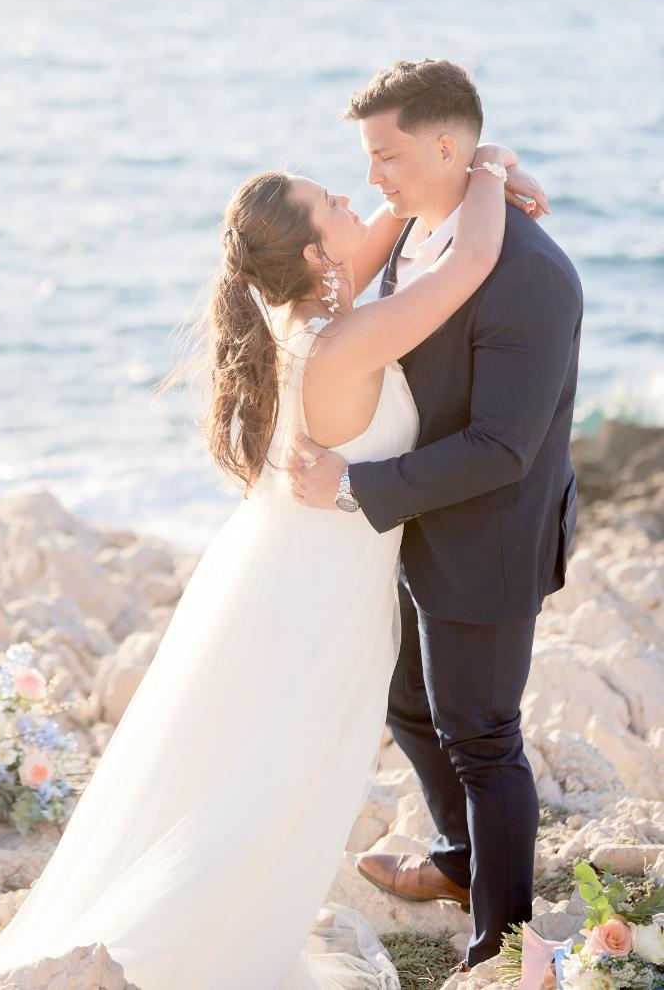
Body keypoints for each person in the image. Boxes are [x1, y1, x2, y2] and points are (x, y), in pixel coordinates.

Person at [0, 103, 546, 989]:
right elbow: (472, 259)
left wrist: (448, 175)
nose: (355, 197)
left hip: (293, 571)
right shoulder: (344, 344)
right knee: (279, 777)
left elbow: (381, 240)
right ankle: (171, 945)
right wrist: (489, 165)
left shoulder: (297, 318)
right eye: (331, 201)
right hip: (326, 596)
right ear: (313, 257)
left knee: (260, 767)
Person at [289, 58, 582, 969]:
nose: (374, 178)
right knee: (410, 700)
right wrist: (490, 163)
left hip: (486, 540)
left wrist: (351, 489)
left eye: (387, 155)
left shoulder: (528, 275)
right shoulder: (430, 220)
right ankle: (461, 858)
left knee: (485, 738)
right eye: (368, 159)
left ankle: (500, 945)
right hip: (415, 529)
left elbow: (503, 449)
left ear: (444, 145)